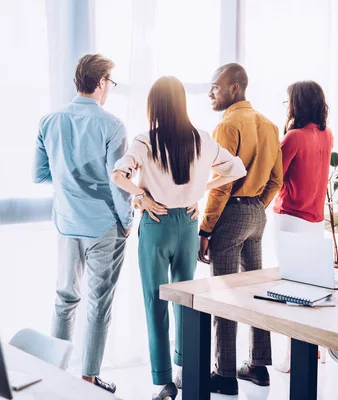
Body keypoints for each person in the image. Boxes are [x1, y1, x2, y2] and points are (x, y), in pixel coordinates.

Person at [111, 76, 246, 400]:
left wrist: (141, 194)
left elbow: (118, 175)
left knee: (154, 302)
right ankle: (187, 371)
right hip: (187, 223)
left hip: (156, 226)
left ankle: (164, 381)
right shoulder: (201, 138)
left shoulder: (145, 141)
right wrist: (200, 190)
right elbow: (236, 169)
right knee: (186, 302)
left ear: (153, 106)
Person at [32, 53, 133, 393]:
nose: (110, 90)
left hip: (66, 222)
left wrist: (70, 183)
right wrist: (127, 220)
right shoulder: (112, 125)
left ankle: (54, 375)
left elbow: (39, 174)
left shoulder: (49, 121)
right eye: (111, 83)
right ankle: (89, 378)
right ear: (101, 82)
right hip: (104, 225)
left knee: (64, 298)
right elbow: (119, 182)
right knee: (98, 302)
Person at [198, 63, 282, 395]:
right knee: (253, 291)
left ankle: (226, 373)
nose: (210, 93)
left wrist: (205, 230)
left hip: (230, 214)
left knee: (224, 294)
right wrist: (254, 206)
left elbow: (220, 184)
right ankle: (259, 367)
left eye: (215, 87)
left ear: (235, 88)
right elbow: (276, 180)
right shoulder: (269, 125)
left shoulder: (228, 125)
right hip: (257, 215)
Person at [273, 80, 334, 373]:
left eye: (287, 102)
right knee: (310, 286)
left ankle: (290, 356)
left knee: (291, 288)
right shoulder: (327, 135)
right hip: (316, 219)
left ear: (296, 103)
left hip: (291, 217)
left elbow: (276, 178)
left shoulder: (294, 137)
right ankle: (316, 349)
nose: (286, 107)